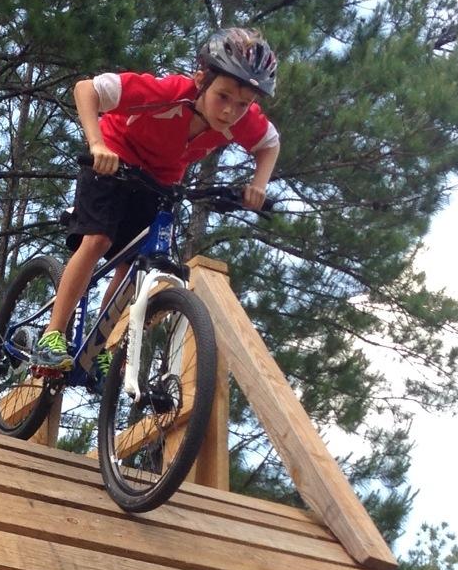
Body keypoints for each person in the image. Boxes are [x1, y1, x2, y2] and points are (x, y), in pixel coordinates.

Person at [32, 28, 280, 369]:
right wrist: (97, 145)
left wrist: (259, 185)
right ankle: (52, 335)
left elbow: (269, 144)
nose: (230, 112)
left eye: (242, 104)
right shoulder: (167, 93)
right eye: (223, 97)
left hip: (160, 181)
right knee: (99, 240)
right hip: (113, 159)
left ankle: (96, 350)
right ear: (201, 81)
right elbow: (86, 89)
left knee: (134, 270)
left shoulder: (241, 120)